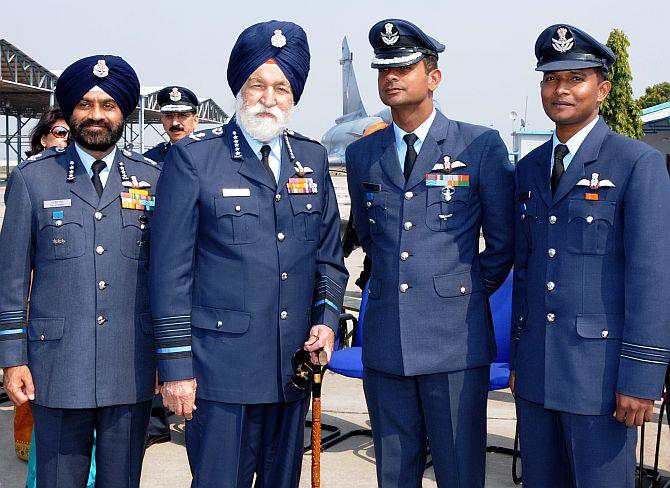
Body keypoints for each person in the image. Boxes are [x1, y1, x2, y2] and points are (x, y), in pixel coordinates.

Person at [149, 20, 348, 488]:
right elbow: (169, 272)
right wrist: (176, 367)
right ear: (240, 88)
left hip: (292, 370)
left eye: (281, 86)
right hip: (220, 374)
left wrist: (326, 318)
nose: (269, 96)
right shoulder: (196, 159)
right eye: (257, 84)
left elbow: (329, 258)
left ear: (294, 94)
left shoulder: (312, 160)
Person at [346, 19, 514, 487]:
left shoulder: (478, 146)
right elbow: (369, 235)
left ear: (433, 77)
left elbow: (501, 245)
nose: (391, 77)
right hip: (385, 340)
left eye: (404, 67)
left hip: (454, 342)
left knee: (460, 472)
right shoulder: (364, 155)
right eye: (384, 69)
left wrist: (455, 294)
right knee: (394, 473)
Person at [510, 24, 670, 487]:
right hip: (538, 374)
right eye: (550, 79)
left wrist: (640, 378)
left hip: (602, 381)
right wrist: (520, 358)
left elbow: (653, 280)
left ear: (603, 88)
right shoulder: (530, 168)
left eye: (575, 78)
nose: (560, 89)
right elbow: (527, 270)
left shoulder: (636, 164)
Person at [0, 54, 161, 487]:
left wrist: (168, 355)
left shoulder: (153, 180)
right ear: (70, 111)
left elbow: (166, 277)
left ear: (123, 111)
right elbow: (11, 279)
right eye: (85, 104)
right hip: (56, 366)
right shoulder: (33, 179)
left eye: (108, 105)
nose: (96, 115)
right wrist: (12, 358)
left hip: (129, 364)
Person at [144, 86, 200, 166]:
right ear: (162, 119)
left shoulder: (210, 155)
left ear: (195, 120)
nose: (174, 123)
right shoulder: (150, 159)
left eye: (182, 116)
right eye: (169, 116)